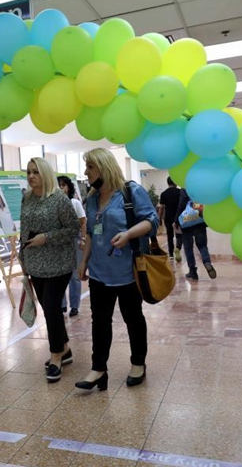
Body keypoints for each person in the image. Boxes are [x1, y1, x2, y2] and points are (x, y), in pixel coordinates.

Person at [77, 148, 158, 391]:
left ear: (104, 166)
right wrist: (83, 262)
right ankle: (98, 368)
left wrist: (128, 234)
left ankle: (138, 364)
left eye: (90, 166)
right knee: (99, 322)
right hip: (99, 272)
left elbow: (151, 221)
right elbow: (92, 232)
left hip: (128, 271)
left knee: (132, 318)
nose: (86, 172)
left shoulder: (130, 192)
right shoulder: (91, 198)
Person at [18, 157, 79, 383]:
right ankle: (64, 348)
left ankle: (55, 357)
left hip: (58, 263)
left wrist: (47, 238)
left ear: (45, 173)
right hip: (35, 263)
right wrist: (21, 254)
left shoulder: (59, 199)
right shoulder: (27, 198)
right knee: (48, 307)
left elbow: (73, 229)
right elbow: (24, 229)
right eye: (28, 172)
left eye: (36, 171)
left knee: (52, 307)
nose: (31, 176)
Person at [57, 175, 87, 317]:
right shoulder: (53, 204)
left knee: (74, 275)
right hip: (59, 242)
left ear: (69, 187)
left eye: (63, 185)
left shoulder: (74, 202)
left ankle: (74, 306)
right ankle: (62, 304)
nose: (60, 188)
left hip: (74, 240)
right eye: (58, 185)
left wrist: (82, 239)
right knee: (60, 273)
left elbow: (83, 222)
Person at [174, 189, 217, 281]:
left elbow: (182, 204)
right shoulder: (199, 186)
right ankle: (207, 262)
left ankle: (192, 271)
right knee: (202, 245)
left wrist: (176, 220)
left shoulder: (184, 188)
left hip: (187, 223)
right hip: (199, 220)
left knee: (188, 248)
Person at [158, 177, 183, 262]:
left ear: (168, 183)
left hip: (168, 218)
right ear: (175, 182)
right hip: (178, 218)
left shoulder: (163, 194)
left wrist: (159, 218)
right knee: (179, 235)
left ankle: (171, 254)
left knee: (169, 236)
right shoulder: (180, 192)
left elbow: (161, 208)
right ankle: (178, 248)